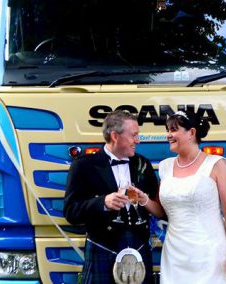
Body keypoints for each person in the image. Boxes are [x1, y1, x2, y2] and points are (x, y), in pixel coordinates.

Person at [135, 110, 226, 283]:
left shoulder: (216, 164)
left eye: (174, 130)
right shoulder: (165, 166)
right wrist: (143, 200)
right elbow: (161, 212)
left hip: (209, 252)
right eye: (168, 130)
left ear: (192, 133)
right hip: (174, 253)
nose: (168, 135)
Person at [63, 110, 159, 284]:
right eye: (133, 135)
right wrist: (103, 203)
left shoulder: (142, 163)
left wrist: (144, 200)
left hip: (139, 246)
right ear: (115, 136)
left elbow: (158, 206)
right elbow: (71, 212)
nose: (137, 140)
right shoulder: (84, 166)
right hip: (103, 246)